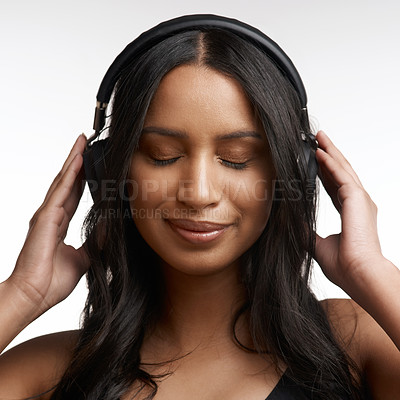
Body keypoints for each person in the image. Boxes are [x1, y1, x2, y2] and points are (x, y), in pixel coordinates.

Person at [0, 15, 399, 400]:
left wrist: (372, 272)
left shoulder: (354, 342)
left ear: (291, 174)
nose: (199, 193)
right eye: (163, 155)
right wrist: (22, 294)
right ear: (110, 172)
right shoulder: (51, 372)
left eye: (237, 158)